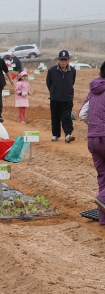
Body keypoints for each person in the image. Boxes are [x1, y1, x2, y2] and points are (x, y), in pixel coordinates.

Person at [80, 61, 105, 224]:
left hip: (92, 139)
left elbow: (83, 114)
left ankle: (103, 219)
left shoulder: (93, 90)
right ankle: (102, 197)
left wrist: (95, 126)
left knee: (103, 178)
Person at [46, 50, 76, 142]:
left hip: (67, 99)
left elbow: (72, 82)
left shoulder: (72, 71)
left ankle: (68, 134)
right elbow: (48, 83)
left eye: (65, 60)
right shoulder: (51, 71)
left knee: (66, 116)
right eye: (61, 60)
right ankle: (55, 135)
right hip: (55, 99)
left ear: (68, 60)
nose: (63, 62)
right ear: (58, 60)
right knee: (55, 117)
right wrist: (53, 91)